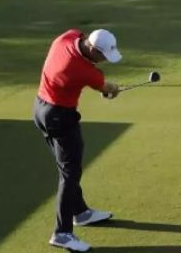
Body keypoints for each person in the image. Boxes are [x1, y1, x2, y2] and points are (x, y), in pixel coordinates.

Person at [34, 28, 122, 252]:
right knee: (70, 173)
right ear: (92, 49)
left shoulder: (68, 36)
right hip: (60, 117)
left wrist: (105, 87)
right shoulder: (84, 71)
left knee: (67, 168)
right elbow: (107, 87)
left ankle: (80, 212)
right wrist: (112, 90)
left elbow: (76, 36)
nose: (104, 60)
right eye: (102, 56)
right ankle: (62, 233)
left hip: (40, 108)